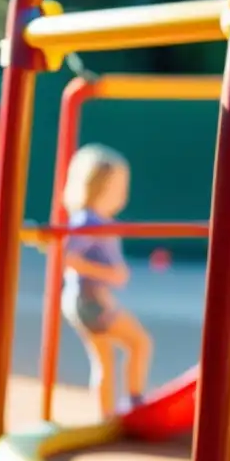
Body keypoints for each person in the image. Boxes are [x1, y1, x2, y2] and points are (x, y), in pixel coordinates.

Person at [61, 143, 152, 418]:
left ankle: (107, 413)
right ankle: (132, 401)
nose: (121, 194)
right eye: (115, 187)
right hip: (89, 303)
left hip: (90, 300)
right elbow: (68, 257)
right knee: (139, 343)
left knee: (105, 359)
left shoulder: (99, 220)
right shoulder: (88, 221)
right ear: (96, 187)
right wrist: (109, 274)